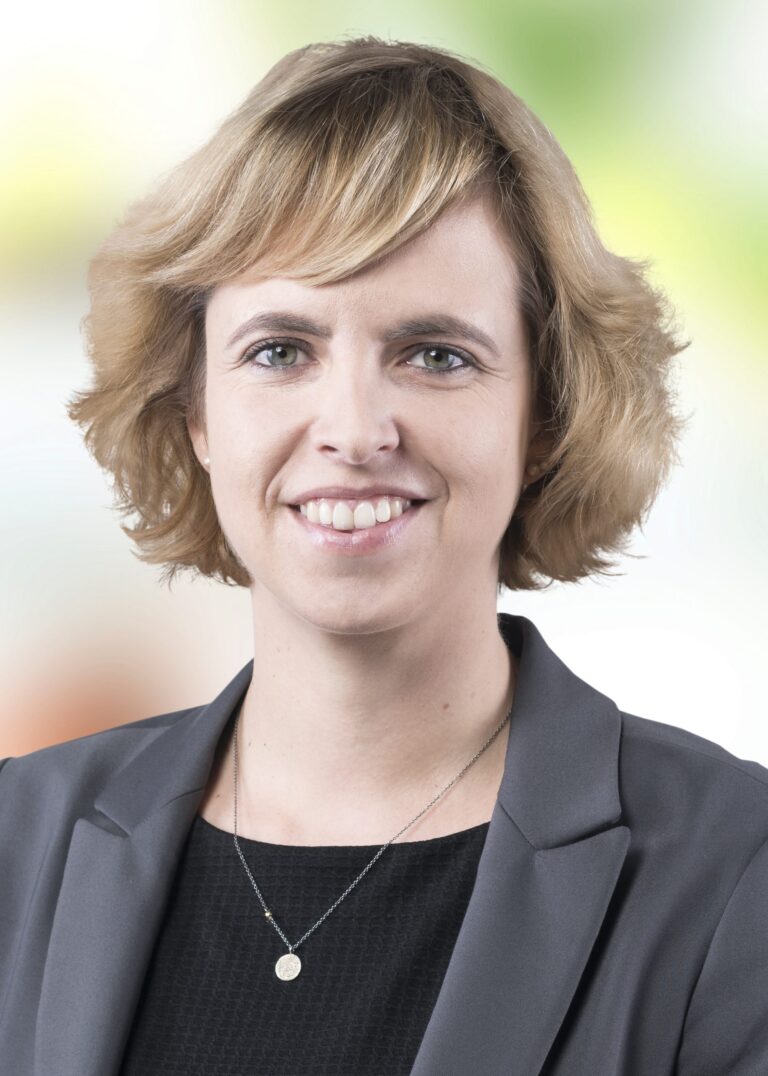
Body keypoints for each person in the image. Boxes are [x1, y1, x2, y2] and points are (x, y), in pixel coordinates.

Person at [1, 34, 766, 1076]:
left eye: (435, 355)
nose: (355, 430)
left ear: (545, 416)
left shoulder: (735, 870)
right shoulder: (17, 839)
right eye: (281, 350)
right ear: (196, 411)